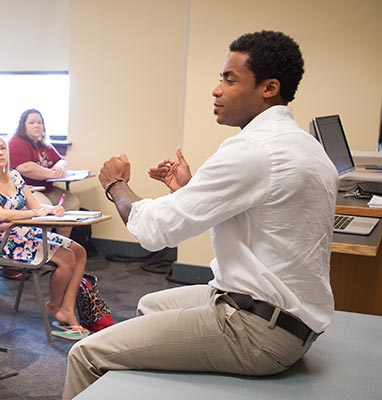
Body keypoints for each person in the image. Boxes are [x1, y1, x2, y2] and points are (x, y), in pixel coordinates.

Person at [62, 31, 337, 398]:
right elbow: (256, 216)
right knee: (150, 304)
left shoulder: (252, 151)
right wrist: (189, 191)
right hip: (290, 319)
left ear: (269, 88)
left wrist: (116, 186)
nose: (216, 90)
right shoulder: (303, 144)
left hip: (256, 331)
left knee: (86, 355)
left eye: (229, 79)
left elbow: (154, 231)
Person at [0, 133, 89, 341]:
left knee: (80, 251)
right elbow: (2, 215)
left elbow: (36, 205)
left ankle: (66, 308)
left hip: (28, 232)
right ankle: (55, 305)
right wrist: (34, 214)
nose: (0, 154)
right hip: (7, 241)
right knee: (67, 257)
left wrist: (53, 210)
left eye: (2, 148)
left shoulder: (14, 176)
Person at [8, 109, 79, 237]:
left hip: (47, 188)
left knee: (72, 202)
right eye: (32, 122)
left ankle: (63, 241)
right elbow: (25, 168)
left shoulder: (44, 144)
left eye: (39, 122)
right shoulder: (16, 142)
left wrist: (59, 167)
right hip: (29, 191)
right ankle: (46, 247)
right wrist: (51, 173)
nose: (36, 125)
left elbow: (61, 161)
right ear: (23, 125)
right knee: (47, 209)